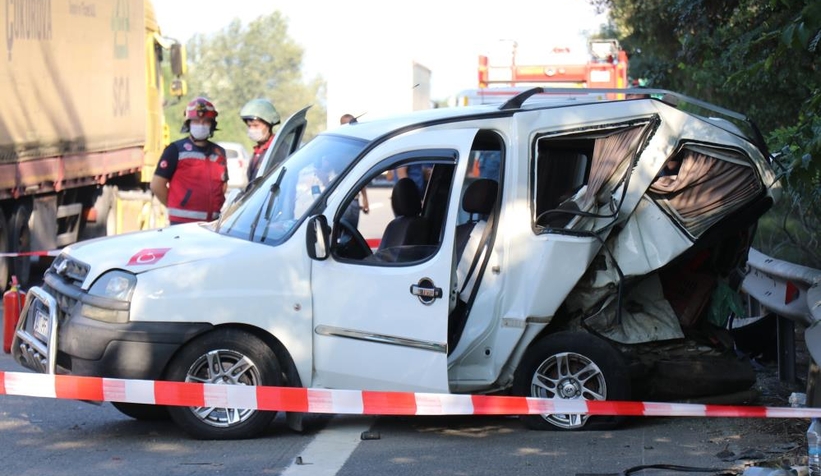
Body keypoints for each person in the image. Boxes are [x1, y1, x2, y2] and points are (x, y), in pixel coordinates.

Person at [150, 97, 228, 225]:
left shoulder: (219, 153)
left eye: (205, 121)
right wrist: (175, 205)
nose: (201, 125)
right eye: (196, 121)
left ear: (212, 125)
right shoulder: (175, 150)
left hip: (211, 224)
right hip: (182, 224)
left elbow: (223, 186)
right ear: (188, 124)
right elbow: (156, 185)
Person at [338, 113, 369, 227]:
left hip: (353, 199)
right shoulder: (337, 147)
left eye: (353, 124)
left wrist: (365, 198)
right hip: (339, 200)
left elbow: (359, 175)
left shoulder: (357, 147)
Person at [241, 98, 281, 181]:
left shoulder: (278, 149)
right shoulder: (257, 151)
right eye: (249, 126)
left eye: (256, 125)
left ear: (268, 125)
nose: (252, 130)